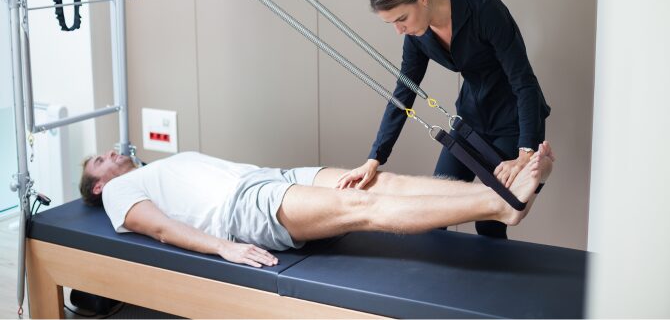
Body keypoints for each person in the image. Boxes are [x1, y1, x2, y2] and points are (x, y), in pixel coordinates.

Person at [79, 142, 554, 268]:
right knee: (358, 210)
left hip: (270, 177)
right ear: (98, 187)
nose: (112, 154)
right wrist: (221, 248)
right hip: (245, 207)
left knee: (375, 184)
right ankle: (500, 203)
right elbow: (160, 228)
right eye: (101, 160)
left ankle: (499, 195)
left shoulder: (147, 169)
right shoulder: (121, 193)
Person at [337, 0, 551, 239]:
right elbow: (404, 93)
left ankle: (487, 280)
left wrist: (525, 154)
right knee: (435, 209)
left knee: (490, 221)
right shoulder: (418, 36)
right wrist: (374, 158)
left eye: (401, 18)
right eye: (392, 24)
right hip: (471, 119)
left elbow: (524, 81)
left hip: (513, 123)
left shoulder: (483, 8)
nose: (399, 30)